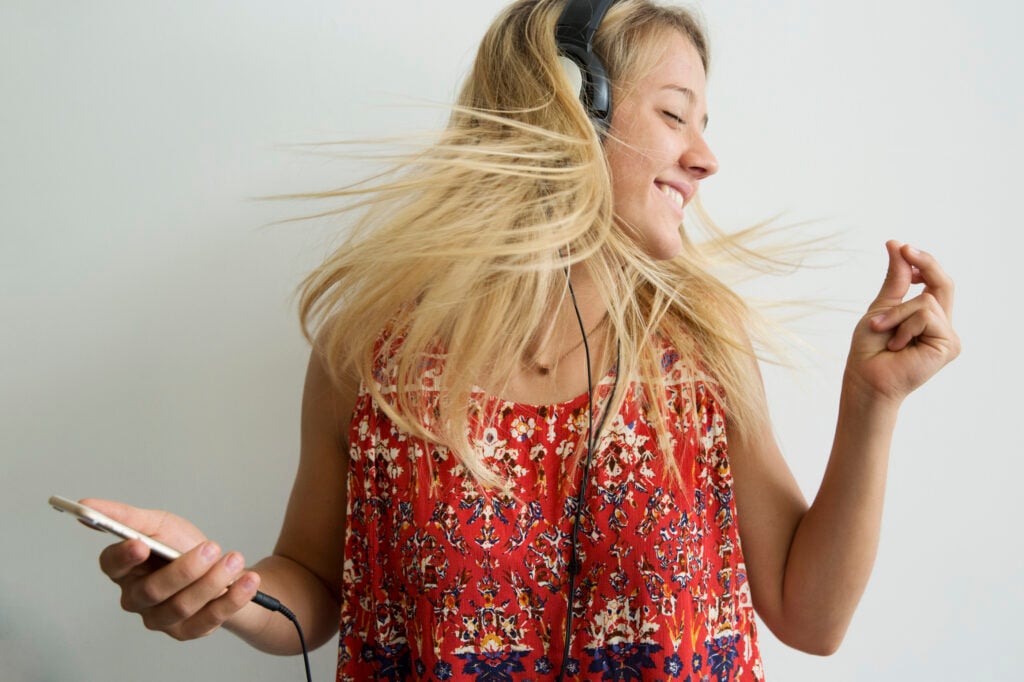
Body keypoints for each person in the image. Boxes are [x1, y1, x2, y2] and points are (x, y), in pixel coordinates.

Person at [85, 0, 960, 680]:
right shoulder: (370, 351)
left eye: (705, 123)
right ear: (575, 108)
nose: (705, 158)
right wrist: (222, 592)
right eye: (675, 115)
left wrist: (871, 403)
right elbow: (312, 592)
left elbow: (812, 620)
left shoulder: (700, 343)